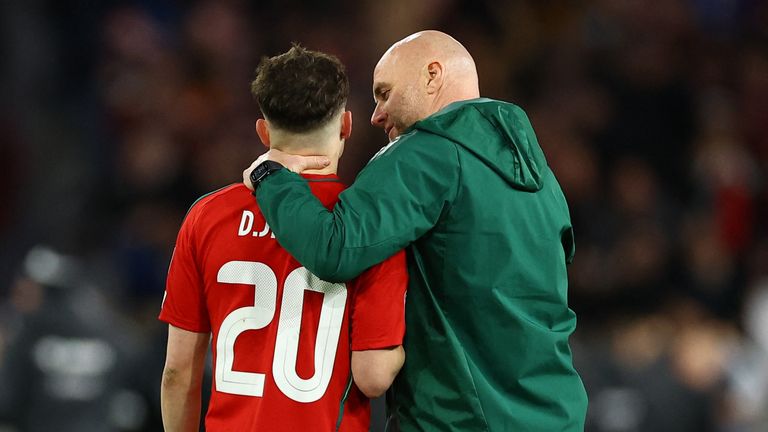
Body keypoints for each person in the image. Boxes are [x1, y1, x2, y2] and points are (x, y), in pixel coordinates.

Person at [243, 30, 588, 431]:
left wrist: (272, 175)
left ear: (432, 76)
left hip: (463, 420)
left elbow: (334, 246)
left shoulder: (426, 153)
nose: (375, 115)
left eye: (384, 93)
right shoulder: (542, 177)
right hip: (556, 415)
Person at [160, 45, 408, 432]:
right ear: (346, 125)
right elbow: (373, 374)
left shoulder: (206, 217)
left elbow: (178, 370)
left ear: (263, 131)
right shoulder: (369, 225)